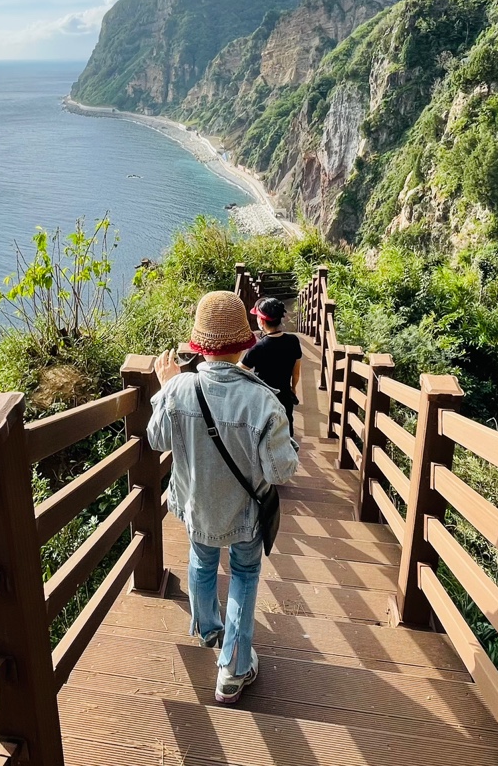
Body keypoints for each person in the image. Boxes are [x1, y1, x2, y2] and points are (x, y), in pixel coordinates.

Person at [148, 290, 299, 705]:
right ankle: (232, 669)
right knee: (245, 574)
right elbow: (280, 470)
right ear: (245, 342)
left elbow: (156, 438)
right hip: (245, 513)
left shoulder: (179, 389)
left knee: (201, 559)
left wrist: (165, 389)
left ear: (197, 347)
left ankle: (208, 628)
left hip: (198, 506)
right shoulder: (264, 401)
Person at [242, 297, 302, 432]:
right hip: (285, 395)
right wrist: (293, 388)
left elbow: (238, 369)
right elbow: (296, 372)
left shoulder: (258, 348)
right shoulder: (293, 340)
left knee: (264, 430)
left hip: (263, 397)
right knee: (286, 427)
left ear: (261, 321)